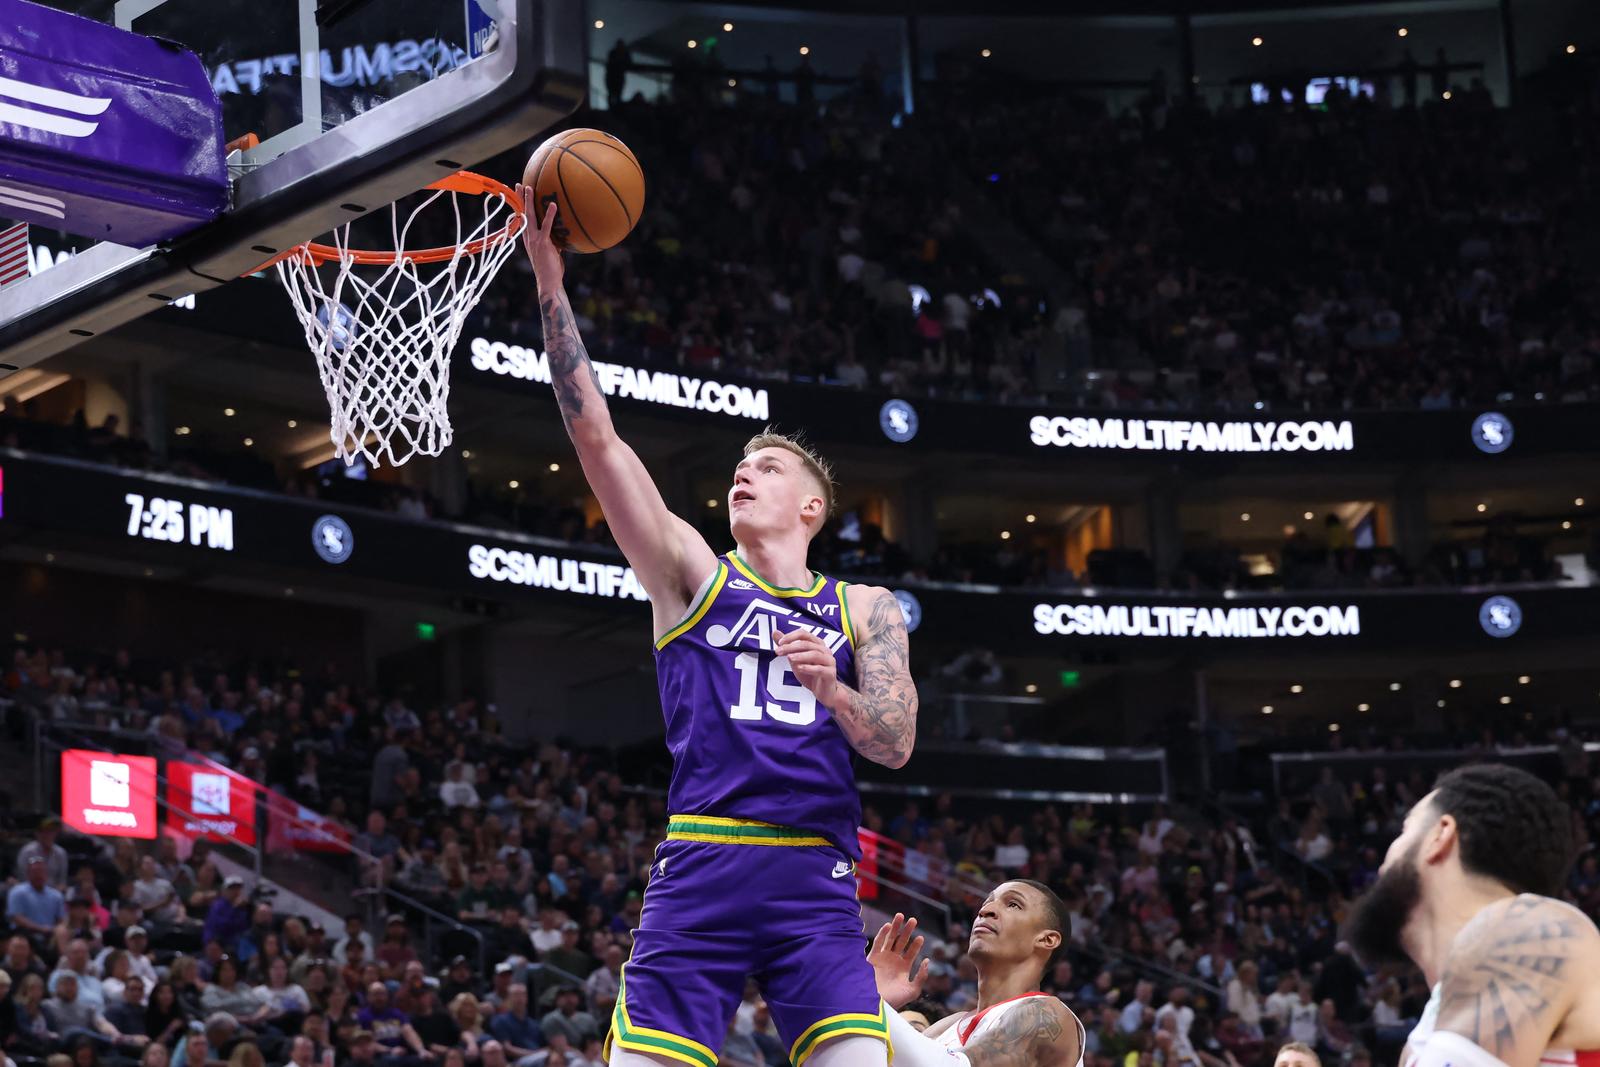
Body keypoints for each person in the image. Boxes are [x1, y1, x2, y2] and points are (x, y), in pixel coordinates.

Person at [509, 196, 919, 1067]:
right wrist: (550, 281)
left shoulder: (866, 608)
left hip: (815, 875)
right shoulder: (691, 572)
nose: (744, 471)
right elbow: (597, 439)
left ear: (812, 505)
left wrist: (832, 688)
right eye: (739, 463)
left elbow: (895, 744)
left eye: (767, 467)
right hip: (705, 857)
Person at [1341, 763, 1600, 1067]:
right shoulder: (1425, 1034)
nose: (1386, 857)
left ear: (1441, 834)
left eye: (1405, 829)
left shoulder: (1523, 928)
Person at [868, 880, 1084, 1066]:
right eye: (986, 902)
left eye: (1013, 904)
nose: (985, 911)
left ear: (1047, 939)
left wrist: (869, 999)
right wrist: (880, 1001)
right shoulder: (947, 1026)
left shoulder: (1046, 1015)